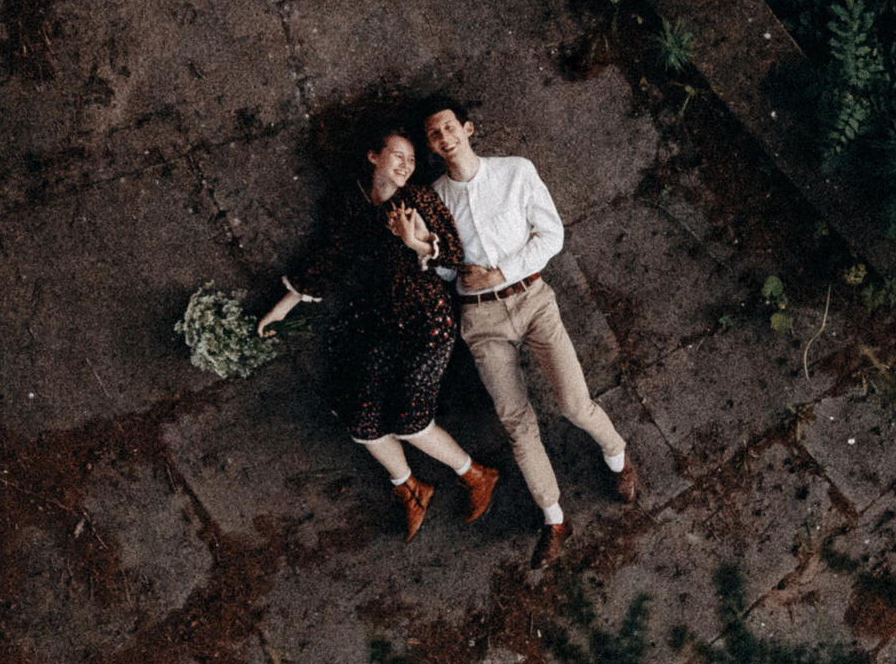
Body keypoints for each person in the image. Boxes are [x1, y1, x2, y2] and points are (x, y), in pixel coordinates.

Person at [419, 96, 634, 570]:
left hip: (532, 299)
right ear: (431, 146)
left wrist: (499, 272)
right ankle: (553, 517)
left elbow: (551, 235)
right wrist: (425, 254)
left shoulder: (515, 171)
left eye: (450, 127)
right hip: (480, 319)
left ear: (468, 129)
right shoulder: (433, 199)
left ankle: (617, 455)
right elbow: (446, 274)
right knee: (517, 423)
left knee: (574, 404)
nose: (445, 138)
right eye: (435, 134)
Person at [257, 128, 499, 541]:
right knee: (362, 420)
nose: (406, 165)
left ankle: (477, 475)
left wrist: (414, 241)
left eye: (411, 160)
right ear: (373, 156)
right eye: (397, 156)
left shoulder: (418, 199)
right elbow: (328, 260)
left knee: (410, 422)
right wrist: (279, 309)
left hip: (427, 322)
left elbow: (455, 255)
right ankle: (410, 487)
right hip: (384, 324)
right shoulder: (353, 204)